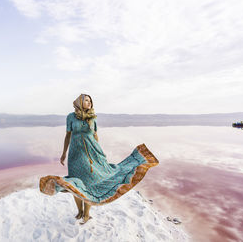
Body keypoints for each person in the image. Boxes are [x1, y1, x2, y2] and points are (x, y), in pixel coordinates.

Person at [39, 93, 159, 225]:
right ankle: (79, 211)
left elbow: (95, 136)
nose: (89, 103)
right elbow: (68, 135)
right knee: (76, 184)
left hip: (91, 154)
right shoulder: (71, 117)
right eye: (86, 100)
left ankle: (86, 214)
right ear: (80, 102)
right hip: (75, 155)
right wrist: (63, 153)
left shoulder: (93, 118)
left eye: (90, 101)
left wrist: (99, 153)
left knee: (89, 184)